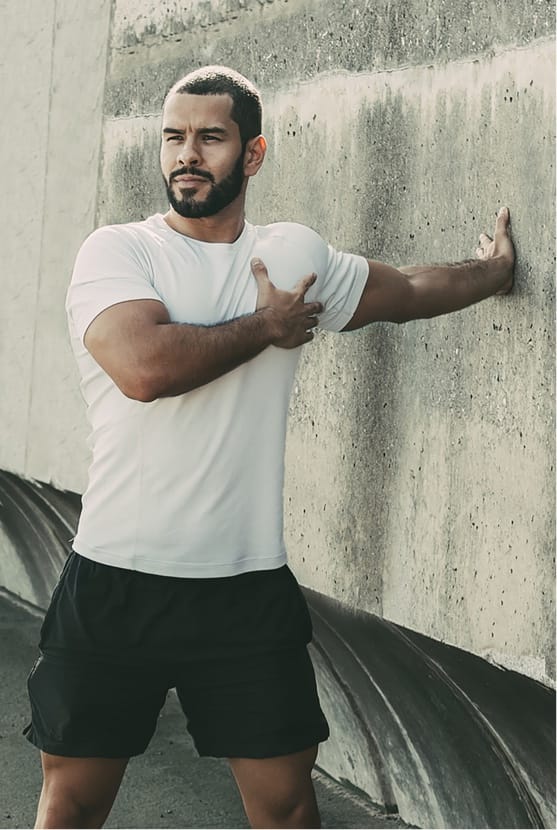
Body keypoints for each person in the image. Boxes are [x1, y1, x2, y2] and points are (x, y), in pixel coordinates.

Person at [25, 65, 515, 829]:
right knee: (75, 802)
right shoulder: (117, 253)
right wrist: (265, 328)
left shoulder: (290, 256)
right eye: (174, 138)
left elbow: (407, 293)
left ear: (251, 156)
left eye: (210, 138)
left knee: (287, 809)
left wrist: (491, 271)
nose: (187, 155)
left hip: (244, 590)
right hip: (117, 583)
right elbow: (144, 368)